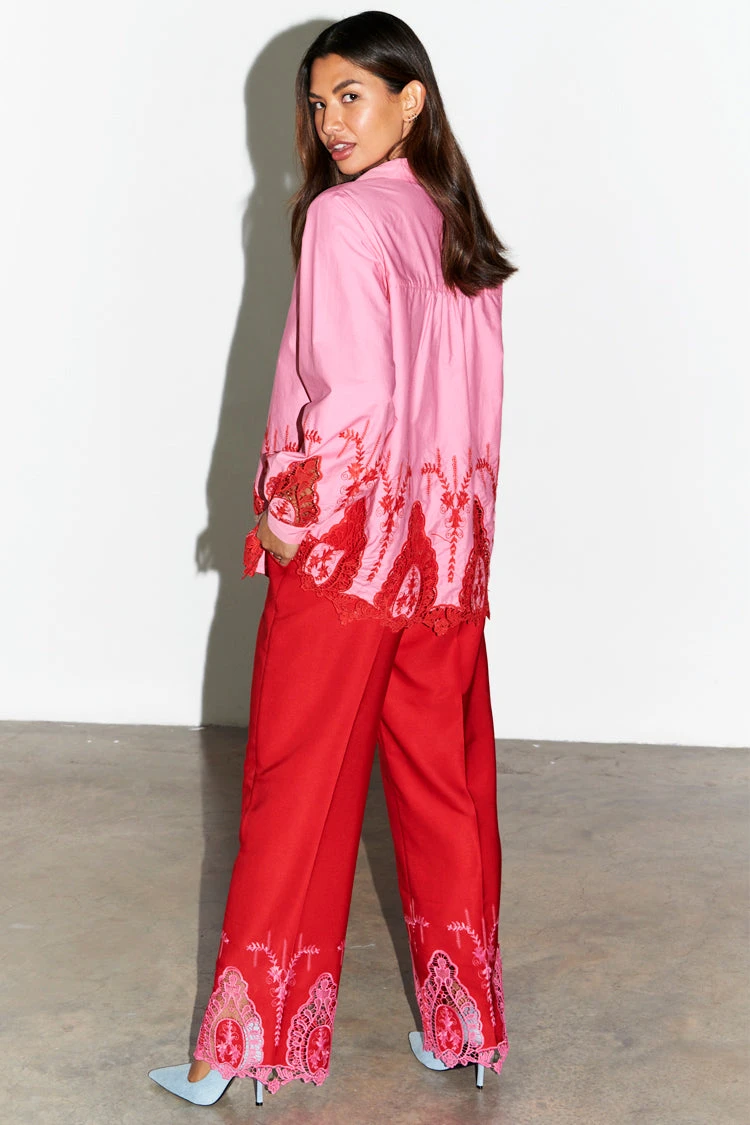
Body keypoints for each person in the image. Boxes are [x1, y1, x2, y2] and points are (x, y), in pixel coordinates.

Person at [149, 9, 516, 1107]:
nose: (330, 122)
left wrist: (286, 520)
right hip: (442, 561)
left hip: (351, 564)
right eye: (317, 103)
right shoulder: (457, 228)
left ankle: (237, 1047)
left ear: (412, 99)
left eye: (352, 95)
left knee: (295, 789)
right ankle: (467, 1026)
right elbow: (471, 417)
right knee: (445, 791)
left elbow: (351, 402)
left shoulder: (347, 220)